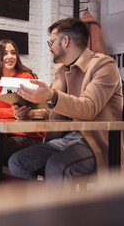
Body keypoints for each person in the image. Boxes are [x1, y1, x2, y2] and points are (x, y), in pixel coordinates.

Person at [8, 18, 122, 190]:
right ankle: (32, 213)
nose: (50, 48)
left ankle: (58, 217)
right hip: (66, 140)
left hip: (95, 142)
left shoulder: (104, 65)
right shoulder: (63, 70)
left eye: (51, 42)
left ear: (65, 41)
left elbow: (88, 108)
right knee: (18, 161)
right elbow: (55, 110)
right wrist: (29, 112)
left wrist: (52, 95)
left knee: (57, 165)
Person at [0, 39, 45, 169]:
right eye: (5, 53)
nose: (10, 57)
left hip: (28, 137)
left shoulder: (25, 79)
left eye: (13, 53)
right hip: (6, 137)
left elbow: (23, 111)